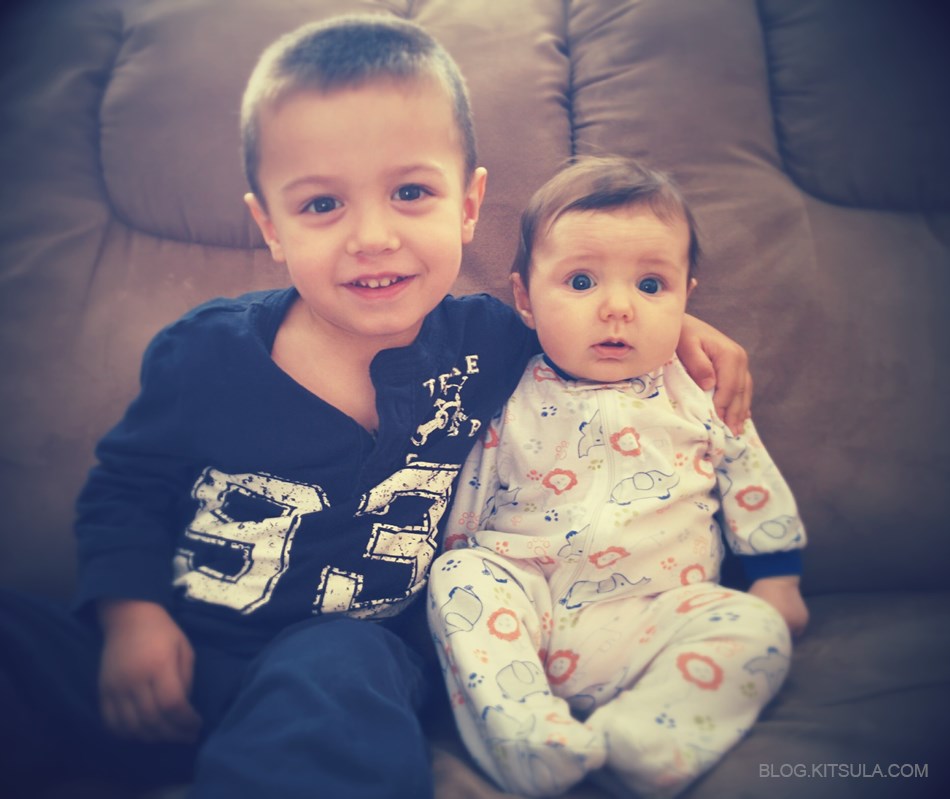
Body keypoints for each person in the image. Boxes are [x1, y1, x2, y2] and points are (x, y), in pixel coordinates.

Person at [0, 17, 753, 799]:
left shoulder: (491, 344)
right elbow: (125, 490)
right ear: (271, 227)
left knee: (342, 666)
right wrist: (132, 616)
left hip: (342, 666)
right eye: (323, 203)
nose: (372, 235)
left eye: (410, 192)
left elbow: (587, 323)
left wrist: (679, 326)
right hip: (170, 652)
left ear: (468, 205)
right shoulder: (205, 354)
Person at [427, 156, 808, 798]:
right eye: (581, 281)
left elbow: (750, 478)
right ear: (525, 299)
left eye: (651, 286)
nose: (617, 309)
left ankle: (635, 746)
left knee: (757, 629)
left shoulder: (698, 390)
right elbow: (471, 491)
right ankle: (526, 736)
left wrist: (778, 578)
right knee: (459, 575)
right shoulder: (510, 390)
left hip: (656, 618)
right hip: (528, 613)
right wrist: (458, 557)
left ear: (687, 297)